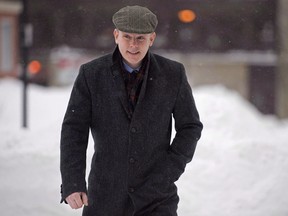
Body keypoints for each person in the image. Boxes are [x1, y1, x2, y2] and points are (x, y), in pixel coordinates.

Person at [60, 5, 203, 216]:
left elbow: (190, 126)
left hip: (157, 198)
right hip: (104, 197)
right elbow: (74, 130)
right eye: (127, 37)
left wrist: (168, 171)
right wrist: (73, 182)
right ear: (116, 35)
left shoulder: (173, 74)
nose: (133, 45)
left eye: (140, 38)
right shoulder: (91, 75)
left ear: (152, 39)